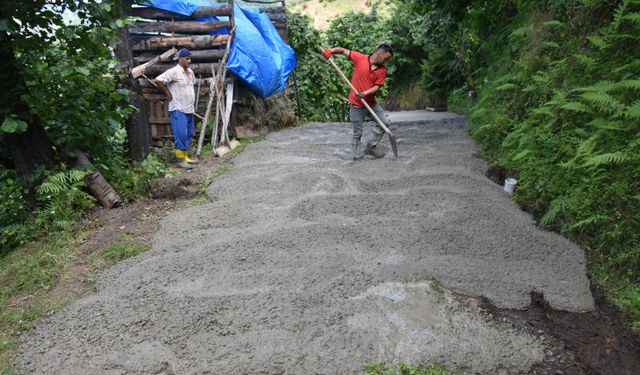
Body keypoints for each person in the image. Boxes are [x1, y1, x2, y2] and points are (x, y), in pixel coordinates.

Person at [323, 44, 393, 160]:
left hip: (371, 104)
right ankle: (355, 156)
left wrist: (365, 93)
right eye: (386, 58)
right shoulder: (360, 58)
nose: (386, 61)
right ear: (379, 54)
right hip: (356, 105)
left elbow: (377, 87)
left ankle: (371, 147)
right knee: (357, 133)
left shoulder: (382, 70)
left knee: (384, 123)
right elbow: (343, 50)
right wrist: (331, 50)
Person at [154, 48, 198, 169]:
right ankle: (180, 160)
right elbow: (158, 80)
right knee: (181, 134)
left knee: (188, 133)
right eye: (187, 58)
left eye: (190, 58)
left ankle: (185, 157)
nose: (189, 60)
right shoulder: (173, 71)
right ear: (180, 59)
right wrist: (167, 93)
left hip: (189, 108)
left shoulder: (190, 72)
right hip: (178, 108)